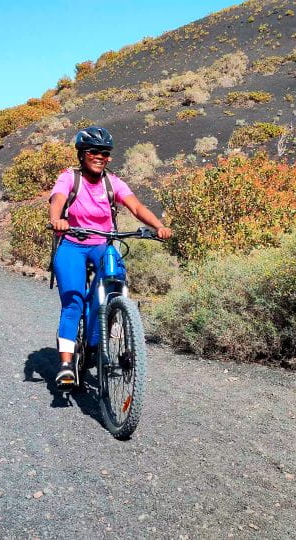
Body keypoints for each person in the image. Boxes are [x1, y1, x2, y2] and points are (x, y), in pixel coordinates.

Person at [48, 126, 172, 386]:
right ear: (82, 154)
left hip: (103, 243)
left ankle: (115, 315)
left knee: (116, 276)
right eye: (94, 151)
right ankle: (67, 364)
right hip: (73, 243)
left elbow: (136, 206)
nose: (99, 156)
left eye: (104, 153)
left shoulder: (112, 182)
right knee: (73, 302)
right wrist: (57, 220)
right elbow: (58, 199)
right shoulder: (70, 178)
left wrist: (157, 226)